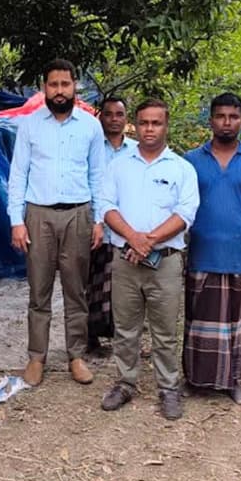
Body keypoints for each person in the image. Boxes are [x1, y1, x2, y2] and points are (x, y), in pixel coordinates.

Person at [95, 99, 199, 420]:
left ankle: (168, 388)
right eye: (144, 123)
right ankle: (126, 382)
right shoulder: (118, 166)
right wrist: (134, 239)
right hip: (125, 260)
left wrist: (148, 240)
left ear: (166, 126)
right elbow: (106, 205)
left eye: (156, 123)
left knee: (165, 329)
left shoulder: (181, 168)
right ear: (135, 126)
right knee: (126, 328)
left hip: (165, 261)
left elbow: (185, 213)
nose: (149, 129)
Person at [7, 59, 107, 386]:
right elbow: (18, 174)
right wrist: (16, 221)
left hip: (79, 214)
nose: (60, 91)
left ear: (74, 85)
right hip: (39, 215)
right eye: (53, 85)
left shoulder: (91, 127)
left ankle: (76, 356)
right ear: (44, 88)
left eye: (65, 84)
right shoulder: (30, 125)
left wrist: (99, 219)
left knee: (76, 290)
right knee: (39, 291)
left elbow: (98, 175)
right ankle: (36, 357)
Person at [183, 93, 241, 404]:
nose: (227, 122)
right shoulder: (191, 161)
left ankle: (234, 381)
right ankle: (196, 380)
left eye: (233, 117)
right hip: (200, 255)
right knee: (199, 321)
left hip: (236, 256)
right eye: (221, 116)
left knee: (236, 324)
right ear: (211, 120)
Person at [86, 95, 138, 358]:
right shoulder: (93, 149)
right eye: (109, 114)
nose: (114, 119)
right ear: (100, 117)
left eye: (119, 114)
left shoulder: (137, 150)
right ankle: (91, 338)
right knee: (93, 284)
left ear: (126, 118)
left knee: (122, 287)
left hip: (125, 230)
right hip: (96, 228)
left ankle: (122, 339)